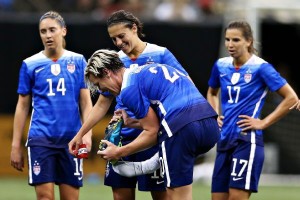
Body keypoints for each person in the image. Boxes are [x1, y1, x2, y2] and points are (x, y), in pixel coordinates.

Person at [69, 49, 220, 200]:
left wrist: (119, 152)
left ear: (107, 72)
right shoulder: (148, 70)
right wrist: (134, 123)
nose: (101, 90)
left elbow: (152, 132)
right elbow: (160, 120)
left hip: (182, 128)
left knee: (177, 195)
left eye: (98, 84)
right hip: (210, 125)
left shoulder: (128, 89)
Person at [206, 20, 299, 200]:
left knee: (236, 197)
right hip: (224, 140)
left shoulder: (261, 68)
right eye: (227, 39)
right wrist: (214, 114)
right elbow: (212, 92)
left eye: (236, 40)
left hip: (246, 141)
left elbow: (292, 98)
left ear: (249, 41)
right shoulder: (221, 65)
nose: (230, 45)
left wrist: (263, 122)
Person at [10, 11, 93, 200]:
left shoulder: (78, 61)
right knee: (45, 197)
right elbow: (22, 106)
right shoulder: (30, 64)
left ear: (63, 31)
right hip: (41, 139)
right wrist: (16, 145)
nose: (47, 35)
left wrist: (86, 134)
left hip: (71, 140)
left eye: (52, 30)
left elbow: (86, 102)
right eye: (43, 31)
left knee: (70, 197)